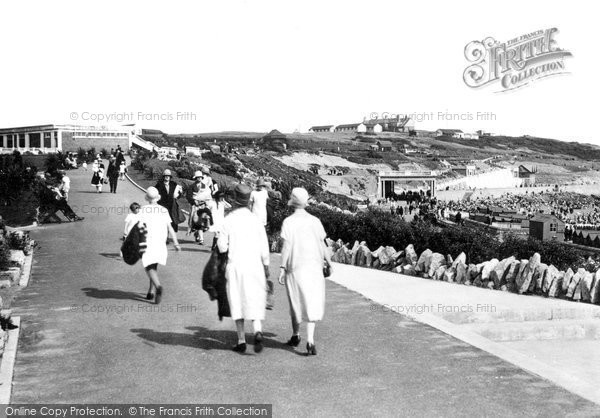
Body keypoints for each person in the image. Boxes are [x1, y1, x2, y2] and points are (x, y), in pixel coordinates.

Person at [217, 184, 270, 354]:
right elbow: (264, 247)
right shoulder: (256, 220)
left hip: (236, 265)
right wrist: (266, 266)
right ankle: (257, 330)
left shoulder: (229, 219)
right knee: (254, 297)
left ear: (234, 199)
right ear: (248, 200)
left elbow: (222, 247)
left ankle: (241, 340)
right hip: (254, 265)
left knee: (237, 300)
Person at [278, 188, 331, 355]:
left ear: (292, 202)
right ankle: (310, 340)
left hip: (295, 267)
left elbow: (286, 247)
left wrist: (282, 267)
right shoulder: (315, 221)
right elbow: (323, 244)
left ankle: (295, 335)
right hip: (314, 266)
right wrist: (329, 262)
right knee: (312, 302)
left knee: (296, 301)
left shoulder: (288, 221)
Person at [138, 187, 181, 304]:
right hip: (160, 242)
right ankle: (151, 291)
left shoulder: (143, 209)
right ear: (157, 198)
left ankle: (158, 286)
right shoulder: (164, 210)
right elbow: (170, 227)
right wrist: (176, 242)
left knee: (148, 266)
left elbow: (139, 227)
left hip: (147, 241)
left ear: (147, 198)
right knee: (154, 266)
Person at [186, 170, 213, 244]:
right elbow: (188, 196)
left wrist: (206, 202)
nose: (199, 179)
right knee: (197, 222)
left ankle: (198, 234)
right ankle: (201, 238)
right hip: (195, 207)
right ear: (195, 178)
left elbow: (209, 196)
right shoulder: (191, 187)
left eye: (200, 177)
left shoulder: (206, 187)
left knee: (205, 222)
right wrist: (193, 201)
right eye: (198, 177)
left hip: (203, 206)